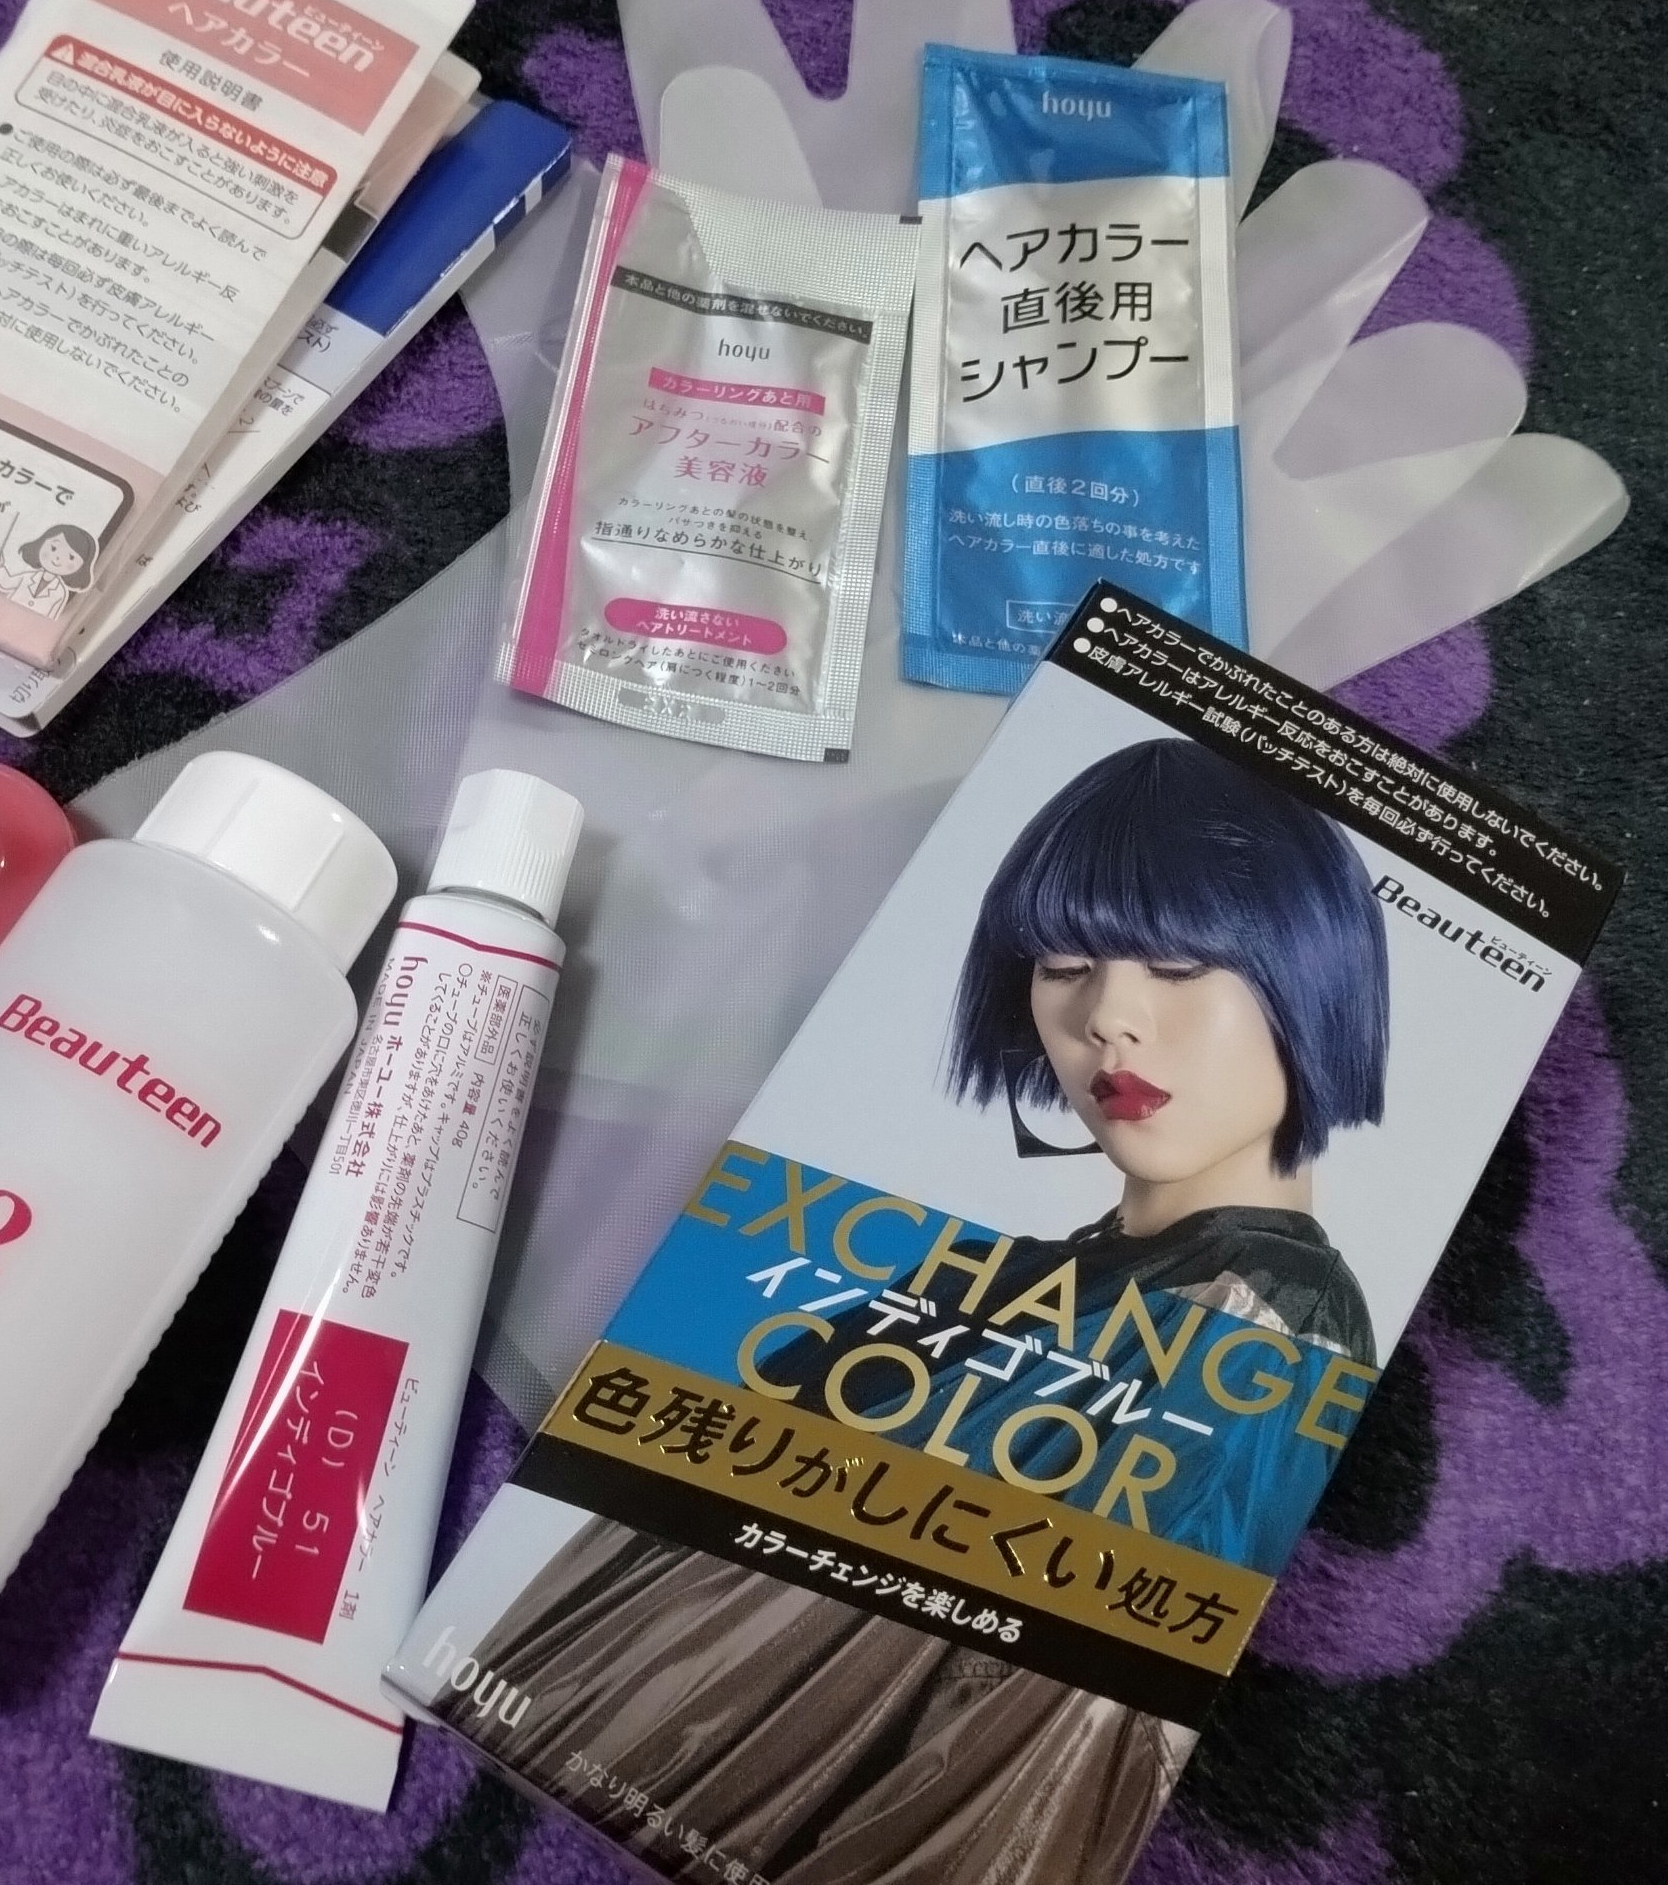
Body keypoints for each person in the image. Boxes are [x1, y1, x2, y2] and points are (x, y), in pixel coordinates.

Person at [453, 738, 1392, 1885]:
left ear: (1308, 972)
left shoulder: (1262, 1330)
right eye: (1062, 962)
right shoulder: (991, 1274)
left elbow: (1024, 1783)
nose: (1107, 1016)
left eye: (1177, 961)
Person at [0, 523, 97, 617]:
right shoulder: (28, 576)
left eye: (71, 557)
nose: (57, 558)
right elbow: (7, 583)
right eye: (53, 548)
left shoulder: (60, 593)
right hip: (1, 612)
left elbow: (52, 614)